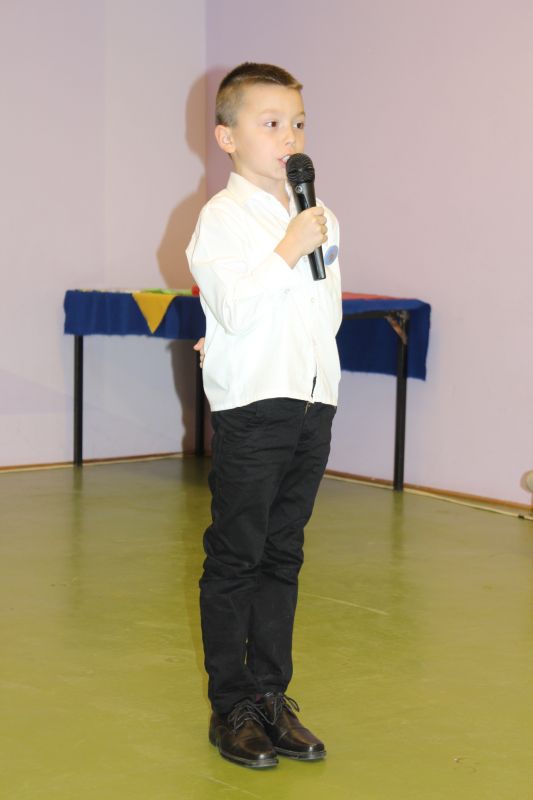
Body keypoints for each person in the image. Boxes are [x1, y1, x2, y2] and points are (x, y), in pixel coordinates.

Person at [186, 62, 342, 769]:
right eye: (270, 122)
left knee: (283, 554)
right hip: (254, 406)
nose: (289, 137)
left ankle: (272, 697)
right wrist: (287, 249)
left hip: (312, 401)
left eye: (297, 123)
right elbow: (235, 305)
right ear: (227, 137)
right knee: (237, 558)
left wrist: (302, 240)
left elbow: (321, 311)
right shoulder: (220, 219)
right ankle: (233, 707)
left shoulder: (318, 214)